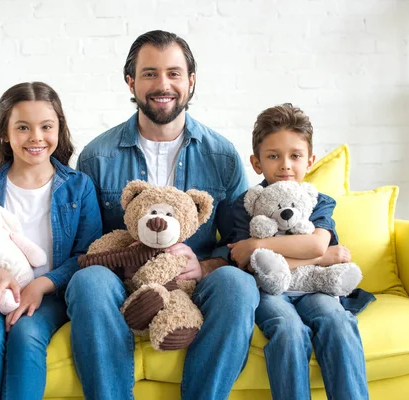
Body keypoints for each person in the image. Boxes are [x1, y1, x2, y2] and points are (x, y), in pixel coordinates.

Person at [66, 30, 260, 400]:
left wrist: (204, 266)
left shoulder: (222, 156)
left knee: (239, 286)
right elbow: (88, 245)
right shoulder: (97, 156)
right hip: (121, 282)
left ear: (190, 81)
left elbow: (241, 241)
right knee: (88, 282)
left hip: (193, 283)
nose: (162, 84)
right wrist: (122, 265)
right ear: (131, 82)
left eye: (173, 73)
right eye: (150, 73)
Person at [0, 82, 102, 400]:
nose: (36, 137)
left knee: (26, 335)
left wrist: (41, 286)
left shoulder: (79, 187)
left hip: (50, 297)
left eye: (46, 126)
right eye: (23, 127)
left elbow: (88, 256)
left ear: (59, 130)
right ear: (5, 133)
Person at [226, 103, 374, 399]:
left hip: (315, 287)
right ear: (256, 163)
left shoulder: (318, 201)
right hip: (270, 292)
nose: (285, 165)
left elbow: (316, 244)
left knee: (337, 321)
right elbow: (250, 265)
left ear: (310, 161)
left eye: (295, 156)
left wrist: (258, 244)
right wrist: (323, 256)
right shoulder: (245, 205)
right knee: (289, 329)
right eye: (273, 156)